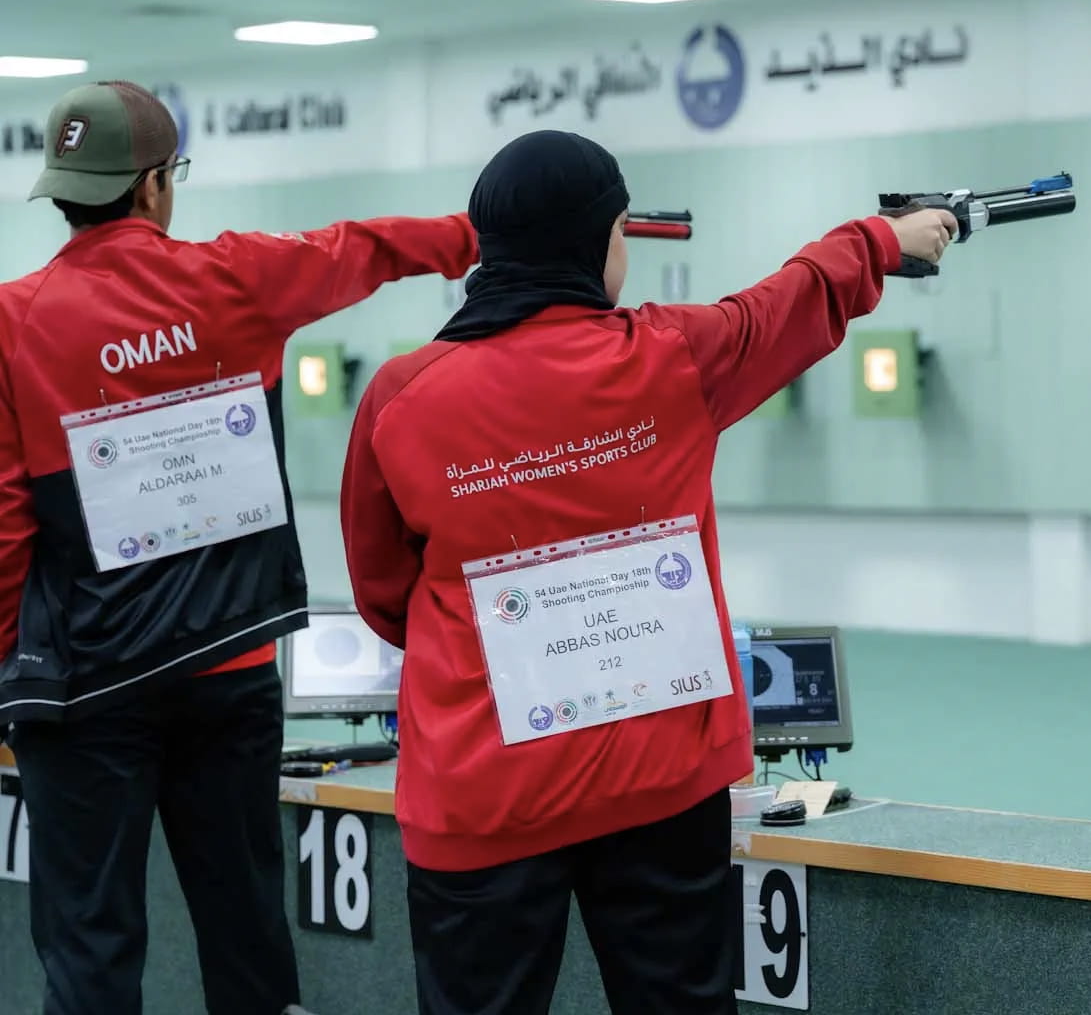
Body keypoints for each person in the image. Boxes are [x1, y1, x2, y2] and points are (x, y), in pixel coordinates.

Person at [339, 129, 955, 1015]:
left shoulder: (403, 396)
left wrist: (477, 645)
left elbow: (383, 590)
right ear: (596, 242)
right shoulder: (673, 355)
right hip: (659, 779)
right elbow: (791, 298)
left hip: (484, 790)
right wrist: (883, 241)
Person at [0, 80, 479, 1015]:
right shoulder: (238, 276)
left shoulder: (15, 321)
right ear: (153, 187)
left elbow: (10, 521)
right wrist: (480, 236)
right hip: (231, 666)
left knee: (91, 949)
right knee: (247, 934)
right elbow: (367, 248)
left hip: (87, 690)